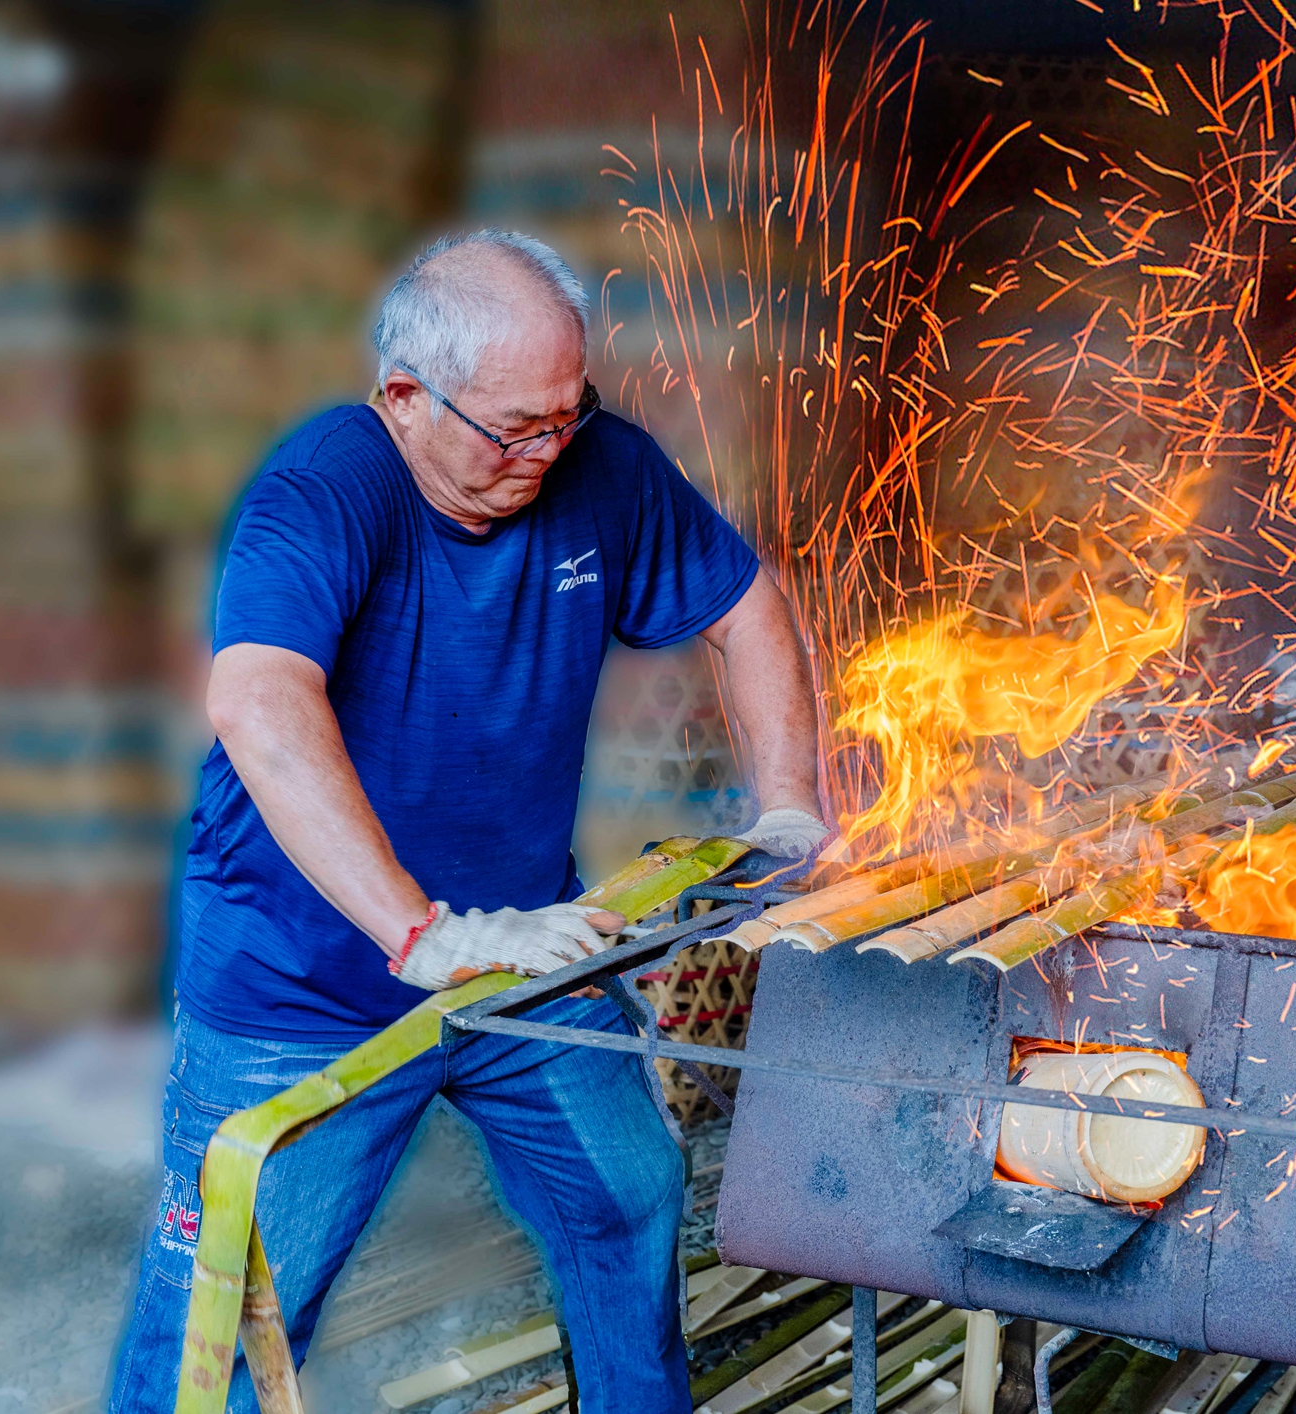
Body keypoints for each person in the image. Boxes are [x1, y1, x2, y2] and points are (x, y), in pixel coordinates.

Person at [108, 228, 828, 1413]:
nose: (550, 452)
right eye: (516, 429)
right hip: (306, 991)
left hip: (521, 958)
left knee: (632, 1196)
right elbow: (257, 701)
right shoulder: (325, 491)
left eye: (568, 413)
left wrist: (790, 806)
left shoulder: (600, 465)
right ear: (404, 396)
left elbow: (746, 607)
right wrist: (420, 931)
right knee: (223, 1326)